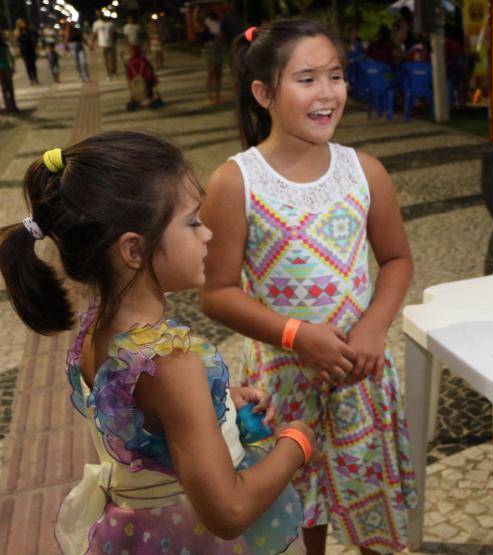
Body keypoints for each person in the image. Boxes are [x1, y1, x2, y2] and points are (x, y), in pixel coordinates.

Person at [0, 131, 318, 553]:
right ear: (134, 249)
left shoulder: (100, 328)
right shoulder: (169, 362)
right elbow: (229, 511)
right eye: (192, 222)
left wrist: (219, 406)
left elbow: (149, 424)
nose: (207, 234)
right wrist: (296, 442)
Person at [200, 19, 417, 555]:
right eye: (307, 79)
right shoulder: (236, 181)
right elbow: (217, 291)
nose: (327, 94)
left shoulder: (365, 171)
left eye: (336, 76)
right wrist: (298, 335)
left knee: (373, 503)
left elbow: (396, 260)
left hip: (359, 375)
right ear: (264, 93)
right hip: (281, 383)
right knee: (296, 514)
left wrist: (372, 328)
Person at [194, 8, 225, 104]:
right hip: (208, 50)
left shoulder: (211, 23)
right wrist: (197, 9)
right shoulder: (200, 25)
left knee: (218, 73)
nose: (204, 15)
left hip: (217, 49)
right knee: (211, 72)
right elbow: (195, 18)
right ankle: (210, 96)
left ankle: (217, 95)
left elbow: (219, 35)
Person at [91, 12, 118, 80]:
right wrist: (92, 44)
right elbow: (94, 34)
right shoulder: (96, 23)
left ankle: (114, 73)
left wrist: (115, 42)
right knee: (105, 61)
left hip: (111, 44)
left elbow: (115, 33)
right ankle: (108, 74)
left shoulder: (110, 23)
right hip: (102, 45)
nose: (100, 16)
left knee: (113, 60)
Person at [14, 18, 39, 85]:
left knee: (33, 64)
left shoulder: (29, 30)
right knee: (27, 65)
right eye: (19, 23)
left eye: (22, 22)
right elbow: (16, 42)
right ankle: (31, 80)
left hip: (31, 49)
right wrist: (17, 50)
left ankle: (36, 78)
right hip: (24, 51)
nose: (21, 24)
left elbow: (34, 40)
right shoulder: (17, 32)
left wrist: (36, 49)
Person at [0, 31, 17, 113]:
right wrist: (13, 67)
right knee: (10, 88)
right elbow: (11, 57)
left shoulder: (5, 45)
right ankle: (13, 106)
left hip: (3, 69)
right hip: (6, 68)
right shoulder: (5, 45)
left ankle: (8, 107)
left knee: (4, 88)